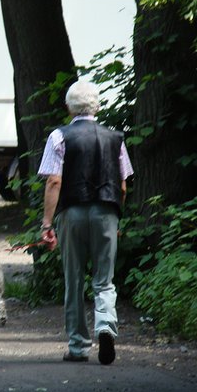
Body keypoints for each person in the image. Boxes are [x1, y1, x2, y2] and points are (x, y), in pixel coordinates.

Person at [37, 80, 133, 365]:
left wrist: (46, 224)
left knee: (74, 279)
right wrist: (116, 217)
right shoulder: (115, 138)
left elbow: (54, 181)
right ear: (97, 107)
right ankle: (105, 326)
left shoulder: (59, 136)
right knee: (104, 280)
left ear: (69, 108)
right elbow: (123, 185)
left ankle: (78, 346)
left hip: (72, 213)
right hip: (106, 212)